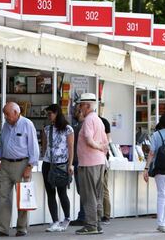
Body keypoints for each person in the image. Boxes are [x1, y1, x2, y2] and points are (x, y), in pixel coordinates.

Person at [0, 102, 39, 237]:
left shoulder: (27, 124)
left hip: (21, 164)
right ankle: (2, 228)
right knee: (4, 196)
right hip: (5, 164)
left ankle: (21, 228)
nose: (5, 117)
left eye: (8, 114)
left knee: (23, 197)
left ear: (16, 113)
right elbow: (2, 143)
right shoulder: (6, 125)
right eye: (5, 114)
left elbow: (34, 147)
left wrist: (30, 166)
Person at [75, 93, 108, 235]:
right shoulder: (98, 120)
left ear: (88, 105)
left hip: (89, 163)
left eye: (81, 105)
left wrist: (97, 146)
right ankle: (97, 222)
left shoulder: (88, 120)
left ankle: (90, 224)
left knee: (88, 195)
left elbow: (88, 140)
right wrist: (101, 148)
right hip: (99, 162)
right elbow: (106, 142)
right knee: (97, 194)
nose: (79, 108)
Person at [41, 104, 74, 232]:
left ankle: (66, 218)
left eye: (50, 113)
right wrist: (45, 156)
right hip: (48, 163)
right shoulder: (47, 129)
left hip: (62, 164)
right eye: (47, 114)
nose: (49, 116)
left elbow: (71, 148)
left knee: (62, 192)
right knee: (50, 192)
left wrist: (70, 164)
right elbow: (44, 146)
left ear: (57, 113)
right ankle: (55, 220)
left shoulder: (68, 129)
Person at [70, 103, 86, 226]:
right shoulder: (79, 126)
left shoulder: (79, 127)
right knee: (83, 190)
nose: (74, 112)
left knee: (82, 190)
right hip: (80, 161)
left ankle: (83, 216)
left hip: (79, 161)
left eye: (77, 110)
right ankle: (84, 215)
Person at [100, 116, 112, 225]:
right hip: (103, 159)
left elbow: (107, 142)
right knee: (103, 188)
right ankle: (105, 215)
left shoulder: (103, 122)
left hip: (101, 159)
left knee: (103, 188)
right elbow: (108, 141)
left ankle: (106, 215)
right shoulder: (105, 121)